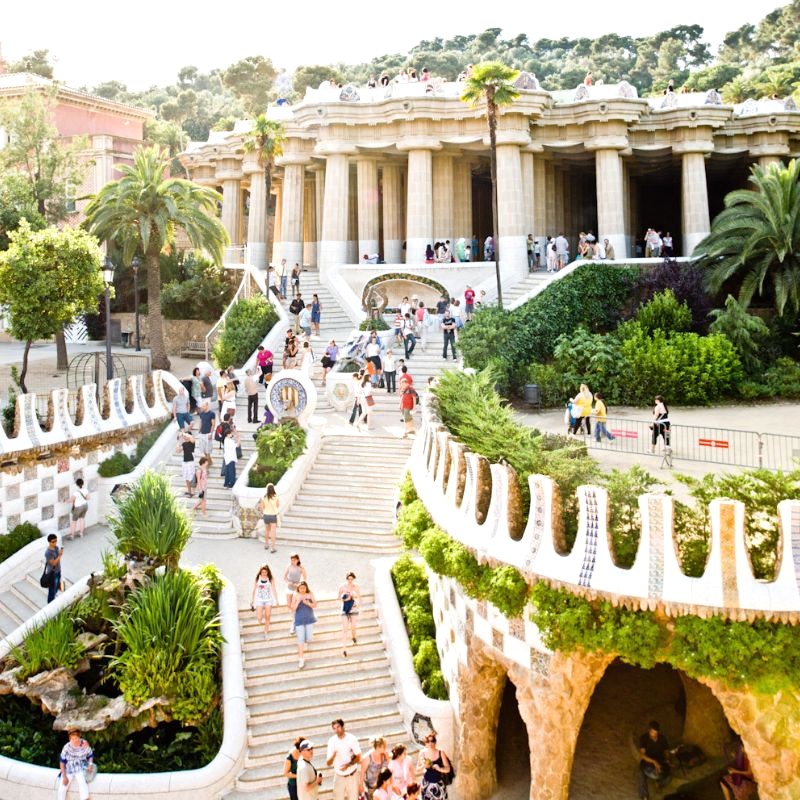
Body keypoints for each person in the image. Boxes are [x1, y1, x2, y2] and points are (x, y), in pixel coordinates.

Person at [326, 719, 362, 800]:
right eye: (334, 728)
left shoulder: (352, 739)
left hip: (352, 775)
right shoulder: (331, 741)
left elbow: (359, 757)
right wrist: (333, 756)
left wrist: (348, 765)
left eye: (338, 727)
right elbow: (328, 763)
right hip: (338, 776)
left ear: (343, 726)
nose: (336, 730)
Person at [57, 728, 94, 800]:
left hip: (80, 767)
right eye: (72, 739)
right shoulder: (67, 747)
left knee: (82, 783)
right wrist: (64, 776)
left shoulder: (84, 744)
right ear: (70, 738)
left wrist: (90, 764)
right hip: (69, 768)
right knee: (62, 788)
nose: (74, 740)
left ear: (79, 737)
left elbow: (90, 755)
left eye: (76, 738)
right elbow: (62, 761)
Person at [637, 720, 671, 799]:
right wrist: (654, 762)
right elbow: (642, 755)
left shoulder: (662, 738)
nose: (654, 735)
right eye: (652, 732)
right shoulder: (643, 738)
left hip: (660, 759)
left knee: (668, 775)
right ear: (649, 730)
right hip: (648, 760)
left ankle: (659, 784)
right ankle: (644, 796)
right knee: (640, 774)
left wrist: (667, 759)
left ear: (658, 732)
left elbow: (666, 751)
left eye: (656, 733)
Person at [418, 732, 451, 800]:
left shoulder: (441, 752)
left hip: (439, 784)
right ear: (425, 742)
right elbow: (418, 769)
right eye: (428, 741)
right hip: (426, 784)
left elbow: (448, 769)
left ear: (435, 742)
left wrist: (439, 769)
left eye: (432, 741)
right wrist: (424, 766)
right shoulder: (422, 753)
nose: (430, 743)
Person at [292, 581, 317, 669]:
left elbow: (315, 605)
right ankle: (301, 659)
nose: (302, 589)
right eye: (300, 588)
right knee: (300, 640)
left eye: (304, 588)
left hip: (309, 619)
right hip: (299, 620)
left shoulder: (310, 594)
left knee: (309, 638)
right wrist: (298, 601)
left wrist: (308, 603)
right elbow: (293, 608)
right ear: (298, 588)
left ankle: (304, 638)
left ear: (306, 587)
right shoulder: (296, 595)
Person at [250, 564, 278, 638]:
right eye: (262, 572)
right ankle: (260, 615)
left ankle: (266, 632)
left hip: (268, 599)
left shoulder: (270, 578)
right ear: (260, 572)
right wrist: (252, 601)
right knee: (259, 618)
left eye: (265, 572)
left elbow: (274, 589)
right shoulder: (257, 578)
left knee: (267, 616)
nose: (264, 573)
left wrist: (277, 600)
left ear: (268, 572)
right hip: (259, 599)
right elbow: (254, 589)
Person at [338, 572, 361, 657]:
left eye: (352, 579)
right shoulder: (342, 586)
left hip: (354, 607)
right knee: (345, 629)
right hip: (345, 608)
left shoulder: (356, 586)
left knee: (353, 626)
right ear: (346, 578)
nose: (350, 580)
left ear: (353, 579)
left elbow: (359, 597)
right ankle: (344, 649)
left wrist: (354, 598)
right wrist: (345, 598)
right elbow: (338, 597)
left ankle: (353, 637)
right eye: (349, 579)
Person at [284, 553, 308, 631]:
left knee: (295, 605)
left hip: (297, 589)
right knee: (288, 605)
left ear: (297, 560)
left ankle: (294, 623)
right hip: (289, 588)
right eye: (291, 560)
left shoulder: (301, 567)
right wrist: (289, 582)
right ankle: (295, 618)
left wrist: (299, 584)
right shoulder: (289, 566)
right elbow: (284, 577)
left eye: (294, 560)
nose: (292, 561)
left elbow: (305, 578)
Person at [258, 483, 280, 552]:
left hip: (266, 516)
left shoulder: (264, 497)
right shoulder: (276, 496)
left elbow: (261, 507)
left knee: (267, 530)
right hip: (273, 516)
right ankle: (272, 547)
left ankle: (266, 544)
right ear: (273, 488)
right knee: (273, 532)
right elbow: (277, 505)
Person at [44, 533, 63, 604]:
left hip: (58, 571)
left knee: (55, 588)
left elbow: (57, 559)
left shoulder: (56, 548)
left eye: (56, 541)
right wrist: (60, 555)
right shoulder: (48, 553)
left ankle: (54, 601)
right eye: (53, 542)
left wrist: (59, 553)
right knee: (52, 591)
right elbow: (53, 563)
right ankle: (50, 605)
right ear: (49, 542)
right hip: (52, 573)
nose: (55, 543)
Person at [177, 427, 196, 497]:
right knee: (186, 477)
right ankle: (189, 491)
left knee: (191, 477)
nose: (184, 437)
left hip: (191, 462)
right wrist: (178, 441)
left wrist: (183, 433)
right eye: (184, 436)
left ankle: (193, 492)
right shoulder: (184, 444)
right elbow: (178, 451)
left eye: (185, 436)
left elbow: (191, 437)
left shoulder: (192, 442)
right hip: (185, 462)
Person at [222, 423, 240, 488]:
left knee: (228, 471)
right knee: (231, 471)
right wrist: (239, 438)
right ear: (228, 434)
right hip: (230, 458)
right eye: (230, 433)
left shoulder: (227, 439)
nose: (231, 434)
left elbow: (234, 437)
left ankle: (226, 483)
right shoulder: (228, 441)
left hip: (229, 458)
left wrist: (236, 433)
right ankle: (231, 484)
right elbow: (237, 445)